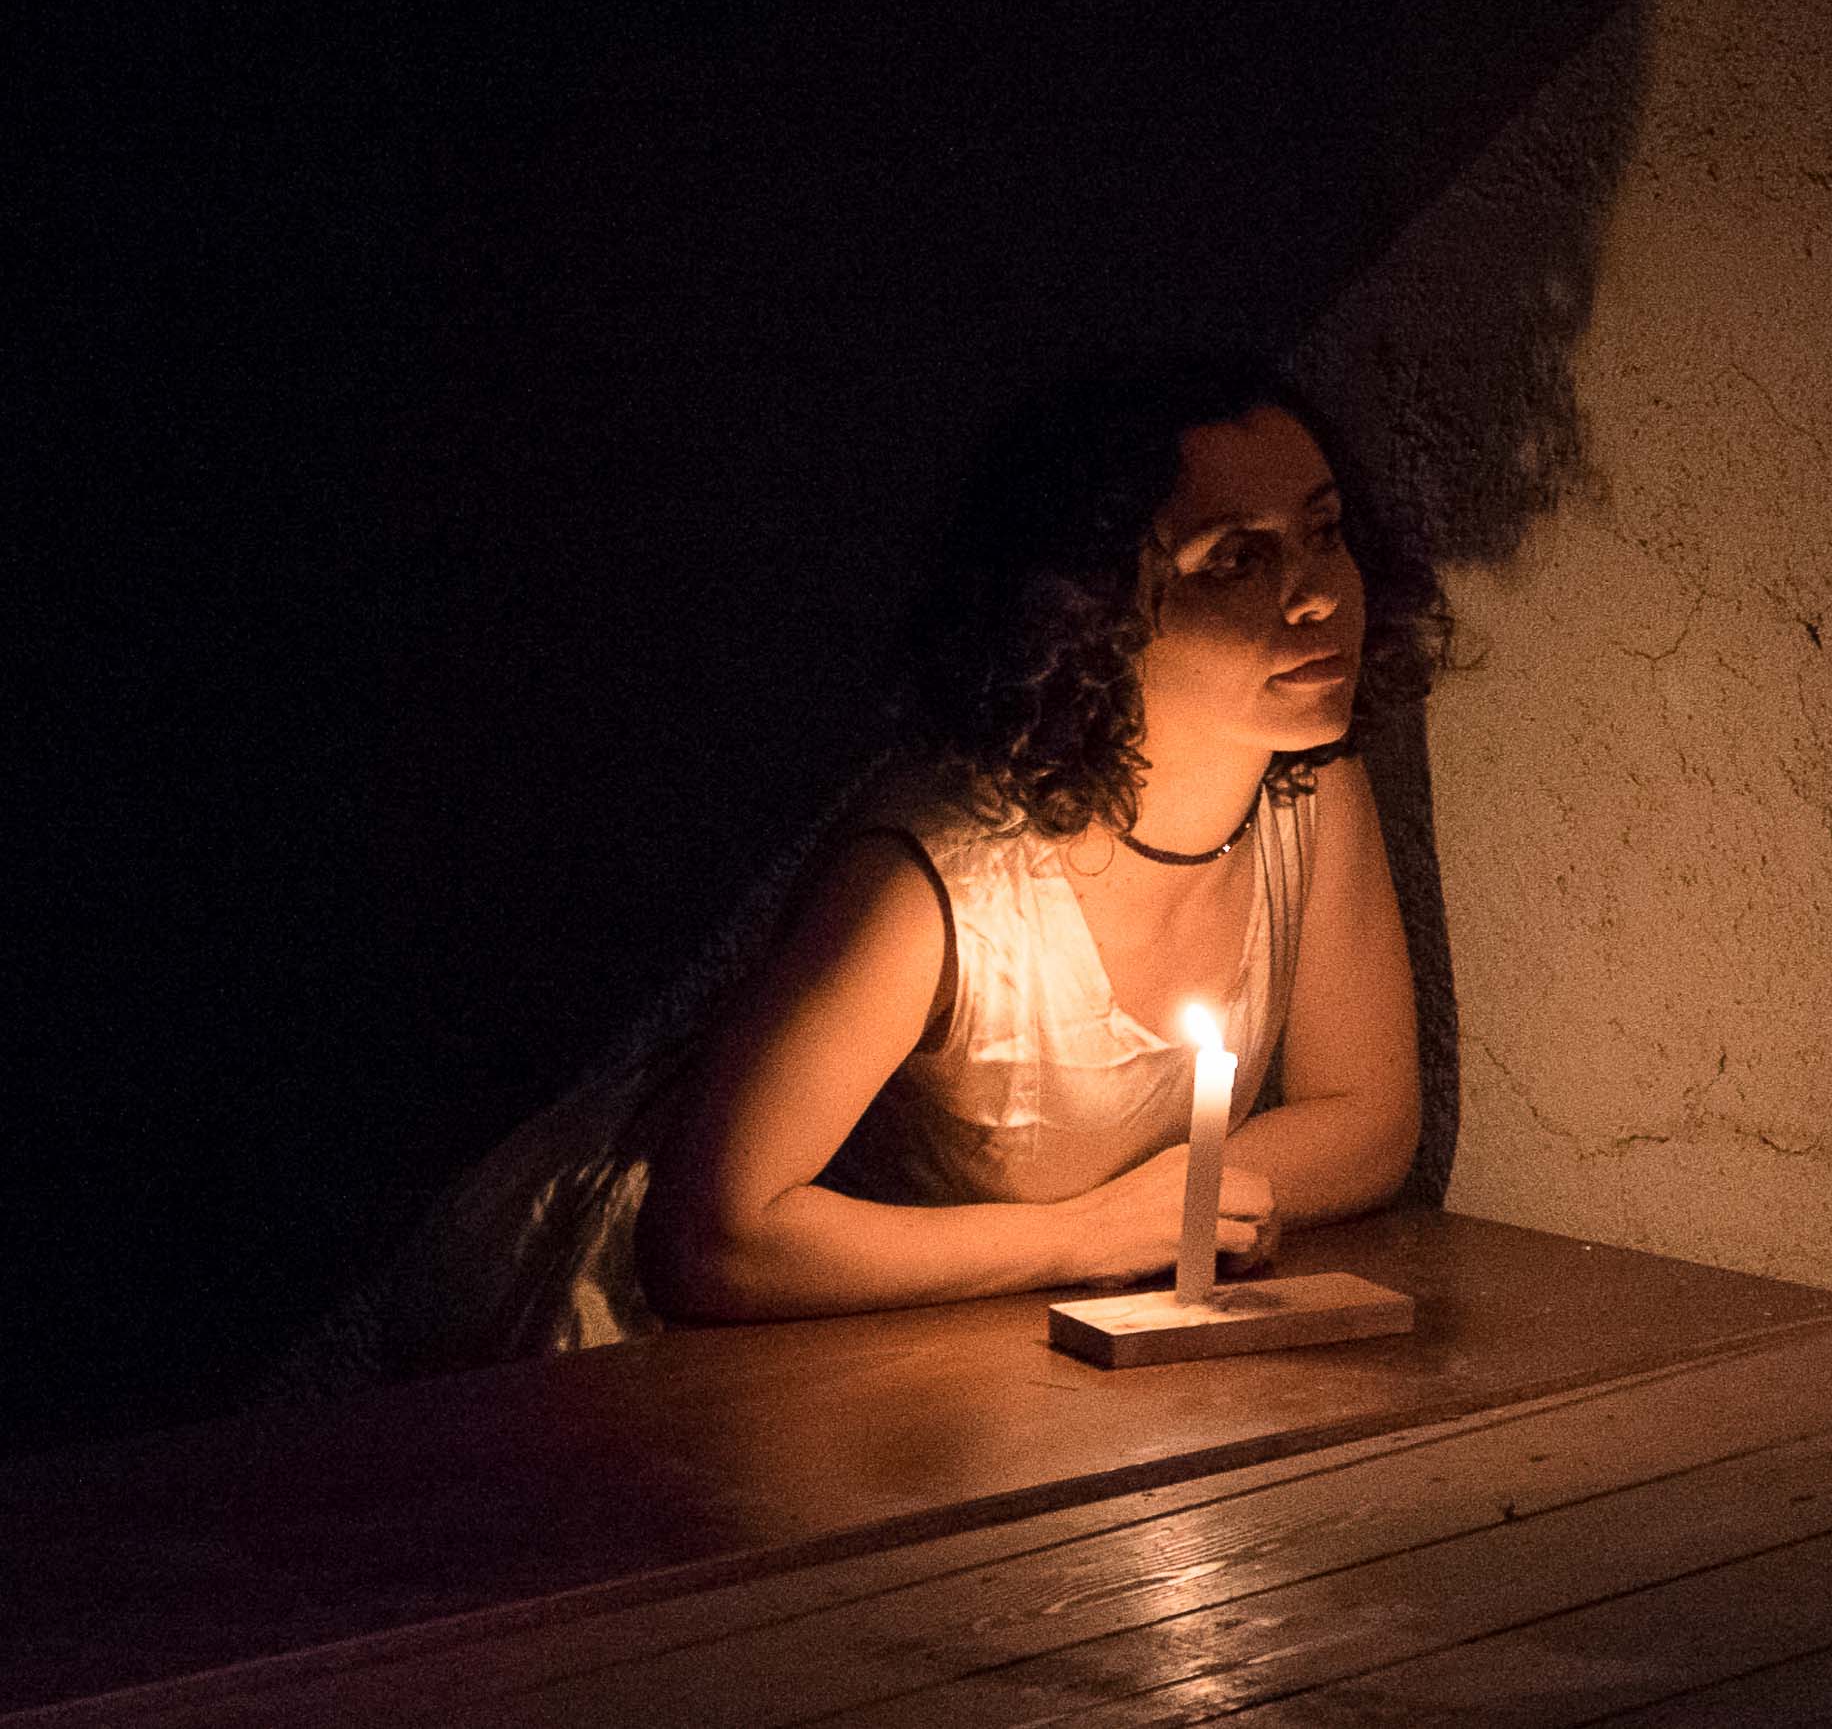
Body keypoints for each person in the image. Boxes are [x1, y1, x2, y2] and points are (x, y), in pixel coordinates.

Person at [280, 348, 1437, 1385]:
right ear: (1091, 610)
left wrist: (1178, 1204)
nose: (1319, 594)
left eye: (1324, 530)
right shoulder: (944, 876)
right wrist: (1091, 1232)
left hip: (980, 1366)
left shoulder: (1300, 778)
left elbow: (1370, 1119)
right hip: (627, 1352)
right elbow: (715, 1237)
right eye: (1236, 559)